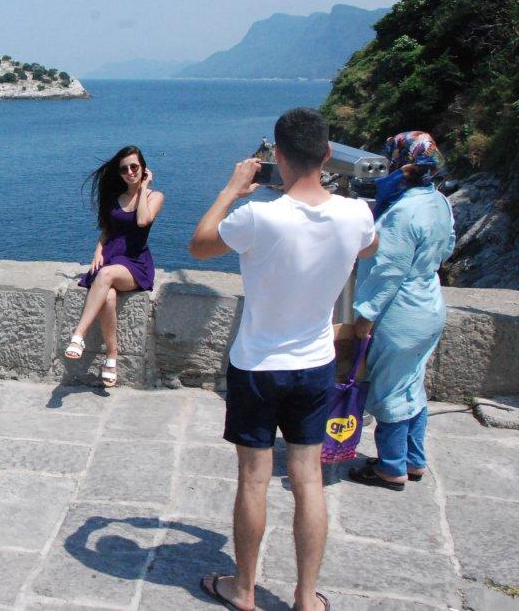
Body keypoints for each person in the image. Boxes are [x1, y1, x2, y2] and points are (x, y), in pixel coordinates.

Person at [188, 108, 378, 611]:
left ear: (276, 155)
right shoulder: (356, 215)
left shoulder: (260, 216)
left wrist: (231, 190)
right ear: (328, 154)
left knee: (254, 479)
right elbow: (368, 247)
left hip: (257, 365)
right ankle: (305, 598)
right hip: (315, 364)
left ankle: (244, 589)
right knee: (308, 480)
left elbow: (200, 244)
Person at [347, 131, 455, 490]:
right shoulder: (439, 201)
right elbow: (447, 248)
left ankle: (390, 467)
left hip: (400, 312)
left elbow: (388, 270)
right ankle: (413, 460)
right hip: (429, 303)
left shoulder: (403, 210)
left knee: (390, 390)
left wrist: (365, 315)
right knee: (411, 385)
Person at [64, 145, 163, 387]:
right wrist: (97, 251)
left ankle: (79, 335)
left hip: (136, 264)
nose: (129, 172)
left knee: (106, 275)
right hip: (110, 257)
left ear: (143, 168)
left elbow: (143, 220)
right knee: (107, 297)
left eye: (134, 167)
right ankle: (112, 357)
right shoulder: (115, 199)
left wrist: (143, 188)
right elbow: (107, 231)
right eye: (124, 169)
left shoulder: (155, 197)